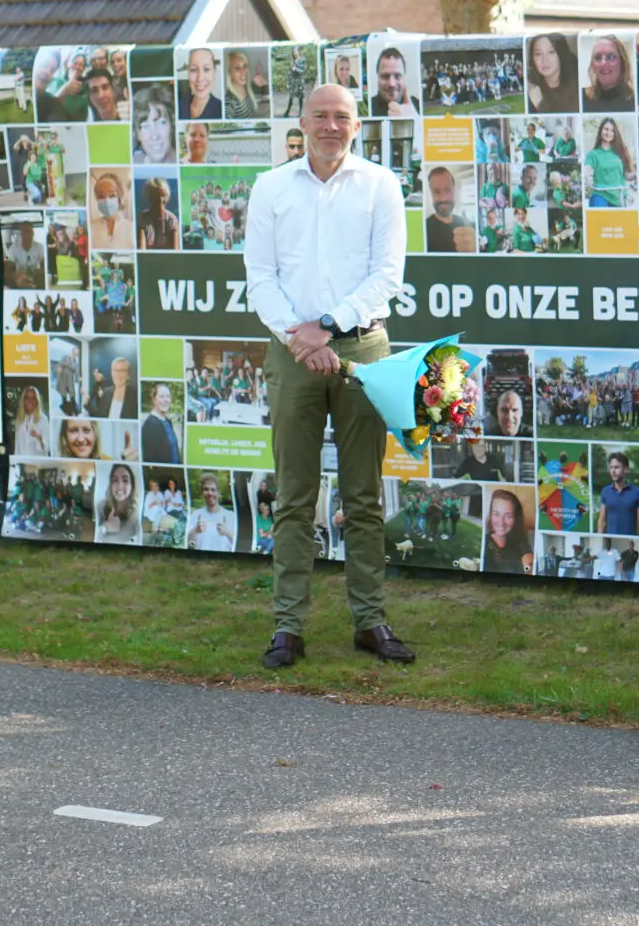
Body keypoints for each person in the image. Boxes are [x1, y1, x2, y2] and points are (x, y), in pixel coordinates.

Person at [245, 83, 413, 668]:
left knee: (363, 495)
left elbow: (387, 275)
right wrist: (303, 336)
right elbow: (260, 277)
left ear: (356, 125)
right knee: (294, 496)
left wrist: (327, 324)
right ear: (302, 122)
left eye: (341, 116)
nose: (330, 126)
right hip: (293, 354)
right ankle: (288, 627)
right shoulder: (271, 188)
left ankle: (370, 620)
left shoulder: (380, 185)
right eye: (320, 115)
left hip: (363, 348)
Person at [423, 166, 474, 252]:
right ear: (431, 193)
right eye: (436, 191)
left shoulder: (469, 226)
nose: (443, 198)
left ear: (454, 190)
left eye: (447, 190)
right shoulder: (423, 228)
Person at [526, 33, 579, 113]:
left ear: (561, 53)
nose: (545, 60)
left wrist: (540, 104)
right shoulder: (531, 85)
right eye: (538, 54)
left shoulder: (576, 87)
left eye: (551, 52)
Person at [584, 118, 632, 208]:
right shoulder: (592, 154)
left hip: (619, 195)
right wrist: (587, 177)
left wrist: (635, 175)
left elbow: (627, 175)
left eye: (612, 130)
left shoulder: (620, 151)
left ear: (615, 133)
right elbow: (587, 171)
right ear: (601, 130)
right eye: (606, 129)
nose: (608, 133)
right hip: (600, 194)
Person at [483, 490, 534, 573]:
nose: (501, 522)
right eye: (496, 514)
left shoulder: (520, 542)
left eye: (508, 516)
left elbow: (530, 566)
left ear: (516, 518)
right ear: (491, 515)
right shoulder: (483, 542)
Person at [582, 35, 636, 112]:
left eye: (611, 56)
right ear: (593, 66)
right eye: (598, 57)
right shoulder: (581, 98)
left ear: (622, 63)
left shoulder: (635, 101)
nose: (603, 63)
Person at [597, 451, 639, 536]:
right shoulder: (605, 491)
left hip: (630, 540)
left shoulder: (637, 492)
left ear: (625, 469)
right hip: (611, 540)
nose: (613, 471)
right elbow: (602, 520)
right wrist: (599, 538)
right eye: (611, 468)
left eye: (616, 467)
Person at [187, 474, 237, 551]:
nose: (209, 493)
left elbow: (238, 546)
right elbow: (190, 545)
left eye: (213, 490)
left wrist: (226, 532)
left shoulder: (231, 516)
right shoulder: (195, 515)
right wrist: (195, 531)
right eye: (206, 489)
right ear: (202, 493)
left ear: (218, 493)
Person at [369, 47, 418, 118]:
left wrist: (414, 119)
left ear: (404, 77)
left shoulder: (417, 106)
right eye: (385, 76)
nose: (392, 84)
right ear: (377, 77)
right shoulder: (368, 108)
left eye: (397, 76)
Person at [89, 172, 133, 250]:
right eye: (101, 196)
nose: (106, 200)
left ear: (119, 197)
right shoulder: (91, 227)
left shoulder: (131, 228)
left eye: (112, 195)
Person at [140, 383, 181, 465]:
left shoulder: (168, 421)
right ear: (154, 399)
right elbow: (148, 459)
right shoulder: (150, 425)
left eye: (168, 396)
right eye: (162, 396)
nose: (166, 400)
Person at [97, 464, 140, 543]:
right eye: (115, 480)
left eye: (125, 480)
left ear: (132, 486)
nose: (120, 486)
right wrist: (105, 527)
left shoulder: (137, 514)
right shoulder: (101, 506)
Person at [134, 90, 176, 165]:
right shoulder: (133, 163)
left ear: (172, 125)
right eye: (145, 126)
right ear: (137, 134)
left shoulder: (185, 162)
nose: (154, 136)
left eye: (161, 123)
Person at [86, 355, 135, 421]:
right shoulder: (106, 393)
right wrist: (87, 404)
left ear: (128, 375)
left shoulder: (135, 395)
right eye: (115, 370)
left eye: (122, 370)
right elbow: (100, 416)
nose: (117, 374)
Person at [137, 176, 179, 250]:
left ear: (167, 196)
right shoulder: (143, 218)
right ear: (150, 197)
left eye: (163, 195)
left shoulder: (172, 219)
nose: (160, 199)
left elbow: (176, 251)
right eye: (156, 195)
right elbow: (142, 249)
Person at [179, 47, 222, 120]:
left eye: (206, 69)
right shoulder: (179, 105)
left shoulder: (222, 110)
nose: (200, 78)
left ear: (214, 71)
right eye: (194, 70)